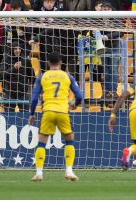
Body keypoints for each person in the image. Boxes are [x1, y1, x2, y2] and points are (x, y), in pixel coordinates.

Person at [28, 52, 83, 181]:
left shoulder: (43, 76)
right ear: (61, 62)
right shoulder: (67, 76)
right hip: (63, 111)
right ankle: (69, 171)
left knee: (42, 143)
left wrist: (31, 114)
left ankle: (39, 172)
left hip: (48, 111)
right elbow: (79, 96)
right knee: (69, 140)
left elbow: (35, 98)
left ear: (48, 63)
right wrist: (75, 104)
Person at [100, 1, 124, 98]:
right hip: (102, 46)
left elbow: (121, 32)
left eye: (108, 9)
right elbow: (91, 30)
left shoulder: (116, 17)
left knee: (113, 69)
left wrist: (108, 36)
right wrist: (94, 32)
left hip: (115, 46)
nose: (106, 11)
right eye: (104, 9)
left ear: (111, 9)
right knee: (105, 69)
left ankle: (113, 91)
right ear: (101, 10)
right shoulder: (97, 18)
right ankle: (106, 91)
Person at [2, 42, 35, 112]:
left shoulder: (26, 60)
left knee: (24, 116)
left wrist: (33, 87)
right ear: (11, 50)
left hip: (23, 93)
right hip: (9, 93)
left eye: (19, 48)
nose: (18, 50)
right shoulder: (6, 60)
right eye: (15, 49)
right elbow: (2, 75)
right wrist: (14, 68)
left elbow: (32, 75)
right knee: (8, 116)